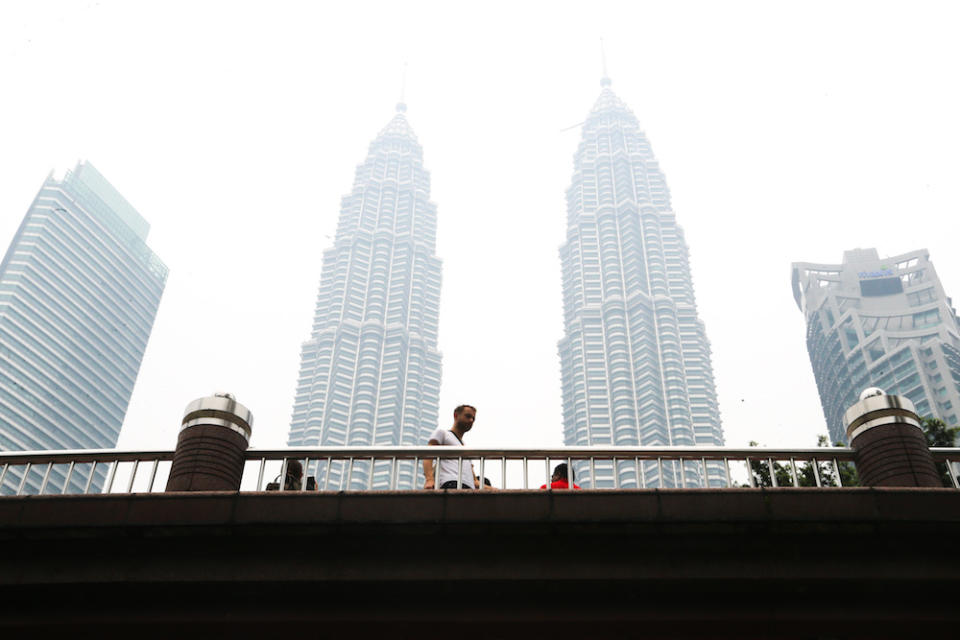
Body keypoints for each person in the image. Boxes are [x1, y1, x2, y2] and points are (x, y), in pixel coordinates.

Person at [423, 404, 480, 490]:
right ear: (456, 415)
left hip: (469, 488)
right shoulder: (443, 433)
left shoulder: (465, 448)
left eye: (473, 418)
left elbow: (475, 480)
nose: (471, 420)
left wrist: (495, 489)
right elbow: (428, 455)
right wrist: (429, 480)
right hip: (450, 482)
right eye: (468, 416)